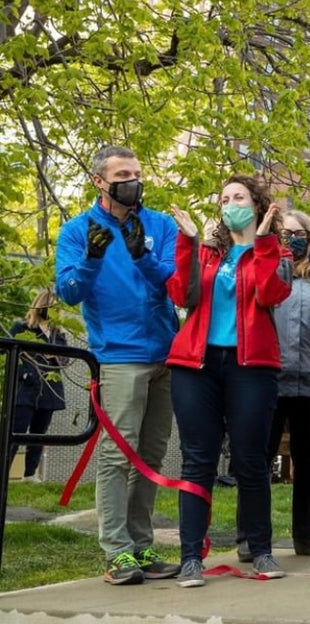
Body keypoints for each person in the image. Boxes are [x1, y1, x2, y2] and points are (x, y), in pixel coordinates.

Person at [55, 145, 181, 585]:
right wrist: (91, 260)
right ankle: (116, 551)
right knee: (117, 454)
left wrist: (141, 255)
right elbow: (69, 292)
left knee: (150, 454)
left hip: (165, 353)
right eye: (123, 174)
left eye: (137, 172)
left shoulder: (161, 225)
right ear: (100, 181)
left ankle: (142, 547)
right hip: (119, 356)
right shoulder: (76, 230)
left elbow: (173, 280)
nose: (133, 180)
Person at [166, 174, 292, 588]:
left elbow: (269, 294)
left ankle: (261, 550)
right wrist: (187, 241)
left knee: (251, 462)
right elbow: (181, 295)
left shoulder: (277, 252)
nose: (230, 203)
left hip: (251, 366)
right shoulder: (206, 253)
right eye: (224, 198)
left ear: (257, 205)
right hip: (195, 366)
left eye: (239, 197)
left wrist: (261, 243)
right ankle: (190, 558)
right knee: (196, 461)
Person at [237, 209, 310, 563]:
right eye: (284, 233)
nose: (291, 239)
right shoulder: (263, 273)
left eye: (298, 233)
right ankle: (250, 536)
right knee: (257, 459)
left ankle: (309, 535)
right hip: (267, 381)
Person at [7, 288, 69, 480]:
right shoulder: (22, 327)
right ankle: (4, 473)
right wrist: (23, 374)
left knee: (39, 434)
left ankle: (30, 476)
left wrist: (56, 357)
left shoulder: (58, 334)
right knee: (16, 432)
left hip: (49, 391)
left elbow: (67, 360)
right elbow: (7, 351)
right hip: (26, 388)